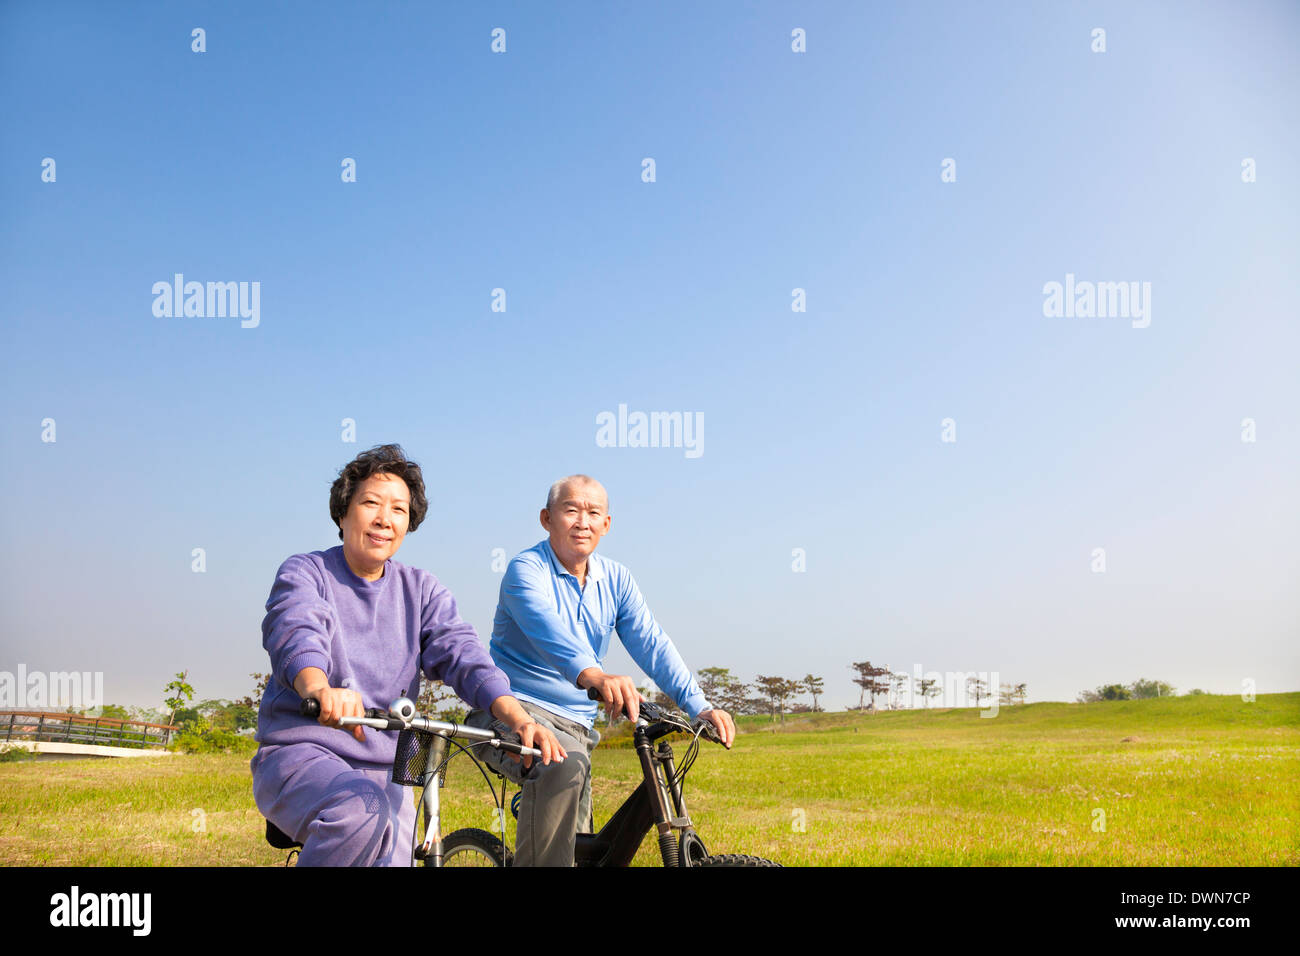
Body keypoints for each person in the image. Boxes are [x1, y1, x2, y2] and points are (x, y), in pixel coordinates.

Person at [250, 444, 565, 866]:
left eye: (399, 509)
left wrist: (519, 719)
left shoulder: (421, 590)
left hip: (391, 767)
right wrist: (320, 687)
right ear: (343, 513)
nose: (384, 518)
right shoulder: (307, 572)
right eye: (370, 503)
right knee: (360, 810)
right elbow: (296, 628)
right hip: (302, 754)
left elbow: (463, 654)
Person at [467, 474, 734, 866]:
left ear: (606, 524)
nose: (583, 521)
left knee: (581, 852)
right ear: (546, 518)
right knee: (562, 770)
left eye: (594, 512)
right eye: (571, 510)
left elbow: (651, 641)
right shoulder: (525, 570)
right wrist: (593, 674)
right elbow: (548, 630)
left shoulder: (616, 579)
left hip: (576, 728)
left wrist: (699, 706)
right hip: (512, 714)